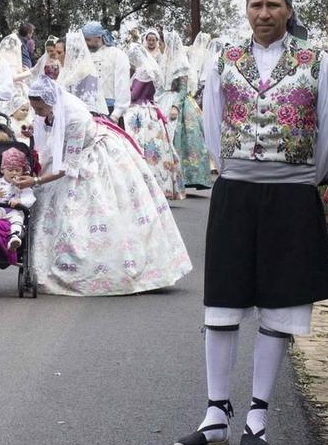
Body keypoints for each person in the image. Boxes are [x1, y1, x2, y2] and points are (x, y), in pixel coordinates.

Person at [175, 0, 328, 445]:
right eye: (256, 5)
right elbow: (213, 122)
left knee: (279, 303)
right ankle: (214, 415)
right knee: (223, 302)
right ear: (246, 10)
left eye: (273, 5)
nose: (264, 13)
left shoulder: (320, 62)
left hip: (290, 195)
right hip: (237, 192)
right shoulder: (224, 58)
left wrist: (302, 175)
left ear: (289, 11)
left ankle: (257, 415)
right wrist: (232, 168)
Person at [19, 77, 191, 296]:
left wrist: (35, 181)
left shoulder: (74, 118)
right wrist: (34, 132)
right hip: (77, 150)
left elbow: (67, 168)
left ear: (49, 101)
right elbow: (53, 129)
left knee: (94, 212)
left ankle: (108, 267)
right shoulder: (56, 106)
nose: (38, 113)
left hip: (93, 157)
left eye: (40, 108)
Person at [121, 40, 184, 202]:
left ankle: (144, 188)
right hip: (150, 110)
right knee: (158, 148)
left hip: (139, 113)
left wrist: (123, 95)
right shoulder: (149, 69)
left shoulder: (143, 71)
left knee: (140, 148)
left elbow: (134, 95)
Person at [150, 28, 212, 193]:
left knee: (183, 141)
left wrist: (176, 106)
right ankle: (166, 178)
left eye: (162, 43)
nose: (160, 46)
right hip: (163, 99)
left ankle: (183, 178)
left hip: (178, 103)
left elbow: (183, 89)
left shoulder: (180, 63)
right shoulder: (163, 60)